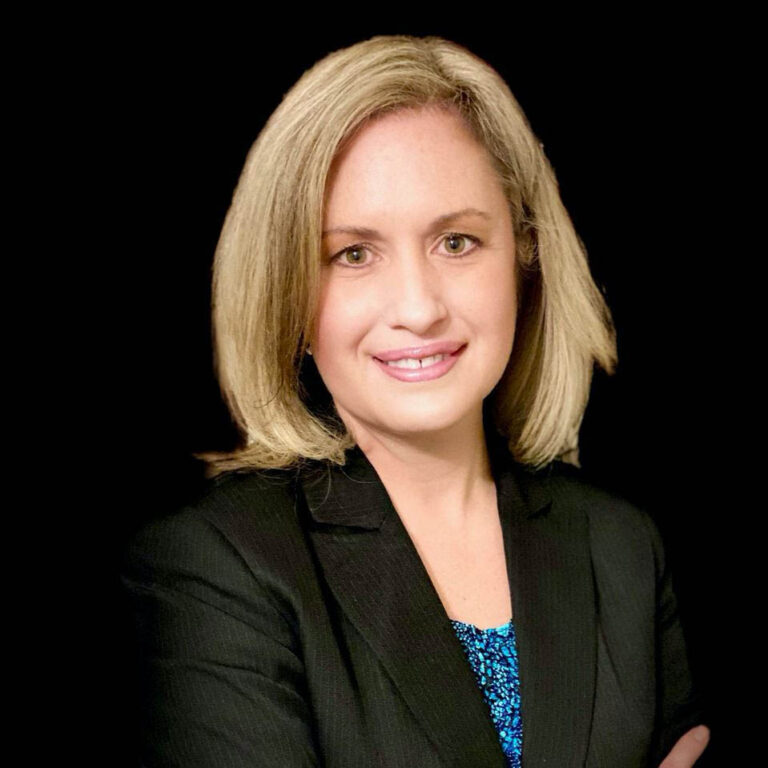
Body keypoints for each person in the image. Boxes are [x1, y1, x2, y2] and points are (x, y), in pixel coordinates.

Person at [121, 35, 711, 766]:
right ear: (287, 291)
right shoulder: (213, 566)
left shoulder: (619, 547)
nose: (418, 308)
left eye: (456, 242)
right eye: (353, 254)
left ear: (524, 253)